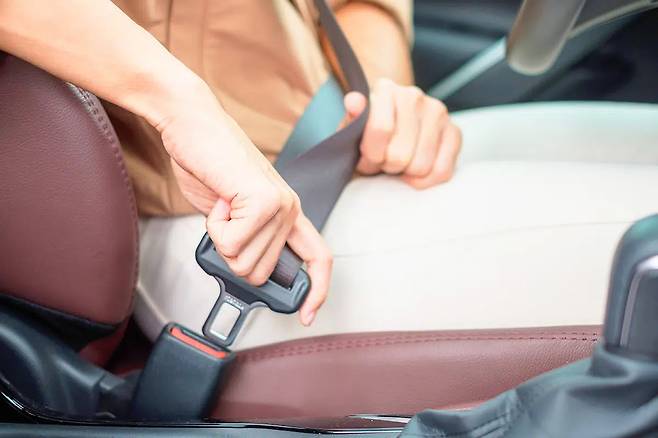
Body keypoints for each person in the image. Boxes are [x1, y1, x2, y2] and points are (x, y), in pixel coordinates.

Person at [2, 0, 657, 350]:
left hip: (322, 152)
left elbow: (361, 7)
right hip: (202, 223)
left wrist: (380, 96)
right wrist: (181, 107)